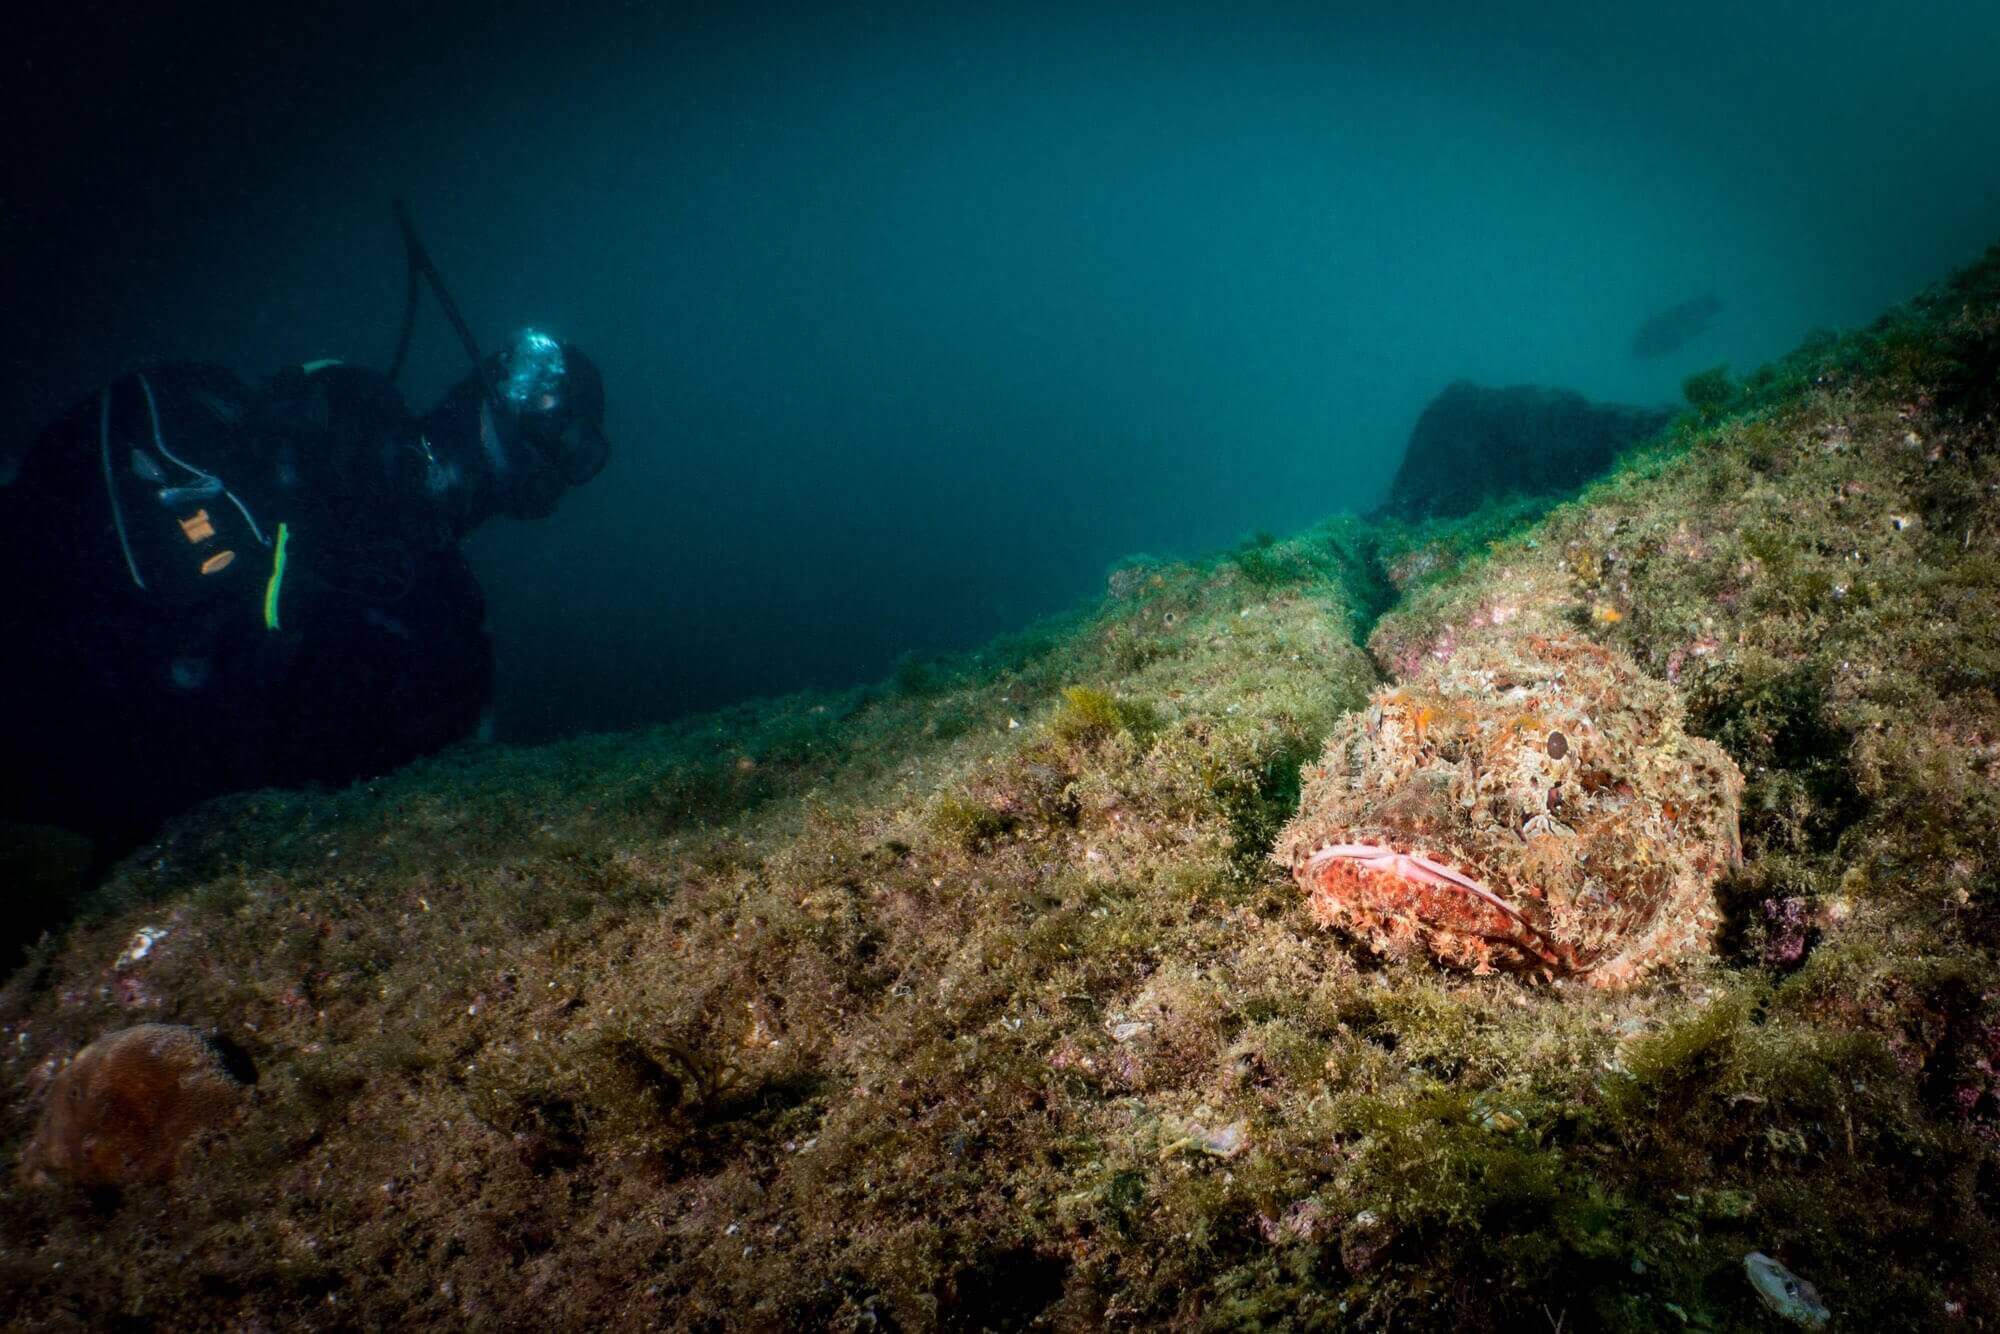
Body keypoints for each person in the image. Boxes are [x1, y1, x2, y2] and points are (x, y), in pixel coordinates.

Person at [0, 327, 611, 847]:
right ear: (529, 408)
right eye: (571, 443)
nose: (564, 476)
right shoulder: (356, 413)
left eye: (584, 461)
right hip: (101, 650)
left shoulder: (446, 590)